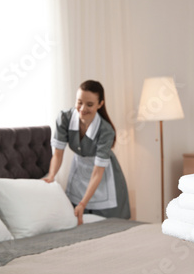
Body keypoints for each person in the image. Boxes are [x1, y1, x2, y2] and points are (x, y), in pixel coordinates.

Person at [43, 80, 131, 224]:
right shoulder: (64, 118)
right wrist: (52, 175)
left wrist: (83, 203)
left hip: (103, 174)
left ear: (100, 104)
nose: (82, 108)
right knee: (76, 218)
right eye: (79, 102)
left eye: (89, 104)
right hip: (79, 169)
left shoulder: (105, 130)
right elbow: (58, 154)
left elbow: (98, 172)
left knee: (111, 225)